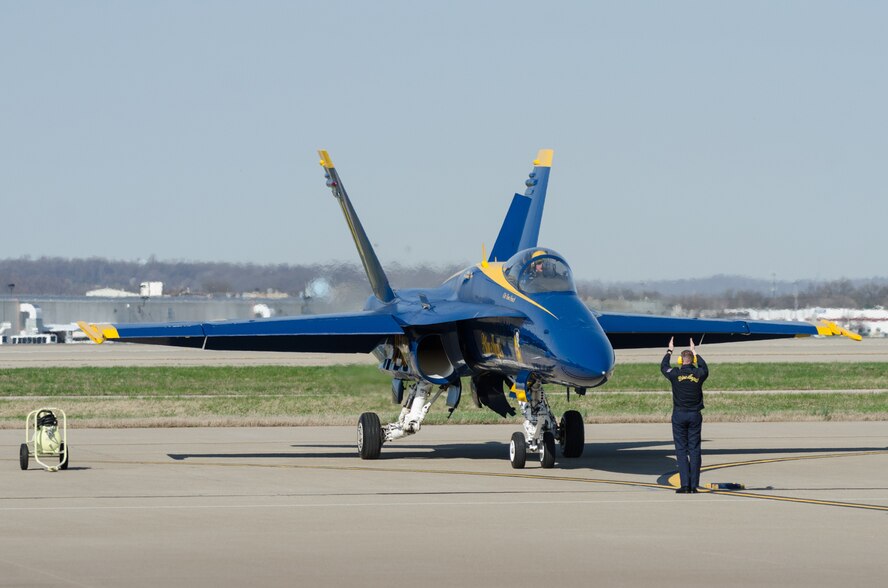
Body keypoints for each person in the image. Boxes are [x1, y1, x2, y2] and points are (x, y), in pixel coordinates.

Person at [661, 336, 708, 493]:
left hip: (679, 415)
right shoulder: (699, 374)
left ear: (681, 361)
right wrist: (696, 352)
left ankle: (685, 485)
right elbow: (705, 368)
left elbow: (663, 367)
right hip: (694, 415)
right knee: (694, 450)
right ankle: (694, 486)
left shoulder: (674, 374)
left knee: (681, 450)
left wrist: (669, 350)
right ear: (692, 360)